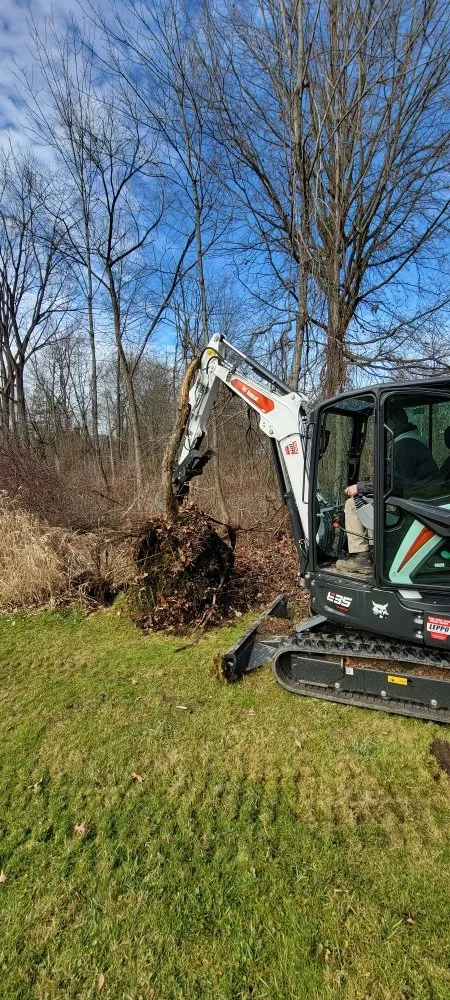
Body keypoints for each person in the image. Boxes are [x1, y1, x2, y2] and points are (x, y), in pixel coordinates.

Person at [335, 405, 438, 575]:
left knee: (352, 504)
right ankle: (375, 551)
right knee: (367, 498)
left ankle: (362, 558)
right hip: (419, 494)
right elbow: (393, 475)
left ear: (390, 424)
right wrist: (368, 483)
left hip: (414, 499)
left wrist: (360, 487)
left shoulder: (404, 445)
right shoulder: (412, 441)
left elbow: (394, 483)